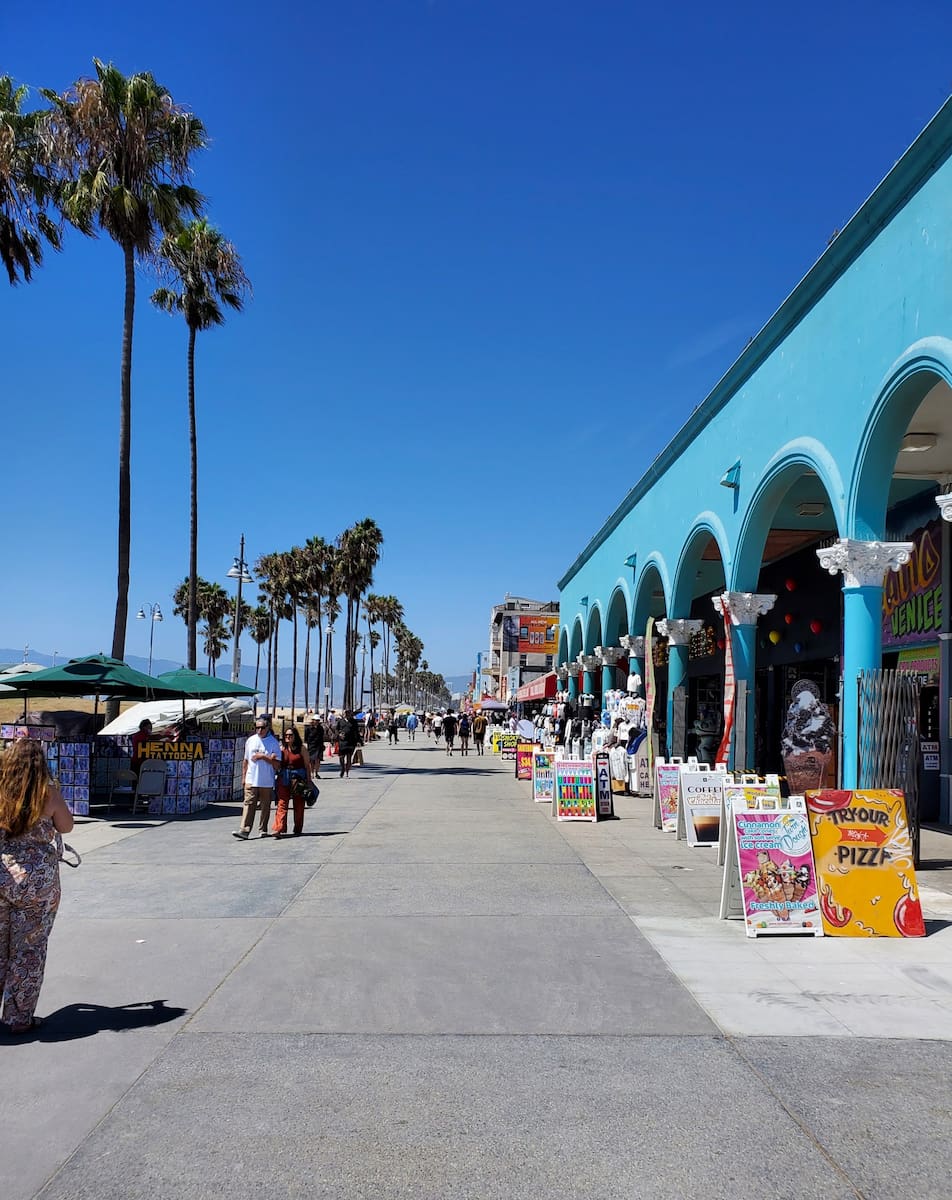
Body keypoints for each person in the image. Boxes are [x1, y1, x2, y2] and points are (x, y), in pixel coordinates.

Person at [0, 738, 74, 1034]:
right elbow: (66, 826)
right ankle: (18, 1018)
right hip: (38, 882)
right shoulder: (48, 794)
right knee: (28, 949)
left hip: (2, 875)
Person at [234, 714, 282, 839]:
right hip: (251, 778)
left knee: (265, 806)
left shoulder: (273, 743)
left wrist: (264, 757)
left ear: (267, 727)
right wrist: (244, 777)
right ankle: (244, 829)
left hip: (266, 780)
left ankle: (263, 829)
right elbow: (245, 760)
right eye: (257, 728)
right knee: (248, 803)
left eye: (262, 728)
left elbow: (277, 765)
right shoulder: (251, 740)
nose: (259, 730)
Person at [272, 726, 313, 839]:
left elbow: (307, 765)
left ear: (295, 736)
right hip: (284, 778)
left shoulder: (301, 748)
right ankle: (279, 828)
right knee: (282, 803)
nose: (288, 737)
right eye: (286, 735)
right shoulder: (281, 749)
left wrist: (309, 781)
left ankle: (298, 827)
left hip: (298, 779)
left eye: (290, 735)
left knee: (299, 804)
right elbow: (278, 765)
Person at [337, 708, 361, 778]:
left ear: (350, 714)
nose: (347, 714)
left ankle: (347, 772)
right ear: (344, 714)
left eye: (348, 713)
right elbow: (336, 730)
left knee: (349, 757)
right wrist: (339, 734)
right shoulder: (340, 721)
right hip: (342, 742)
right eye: (346, 713)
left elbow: (356, 732)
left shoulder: (354, 722)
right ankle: (342, 768)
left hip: (351, 742)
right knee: (341, 757)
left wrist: (358, 741)